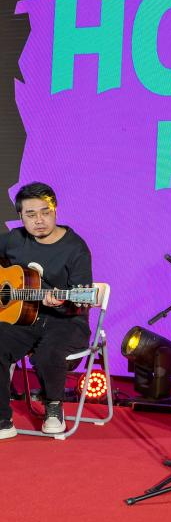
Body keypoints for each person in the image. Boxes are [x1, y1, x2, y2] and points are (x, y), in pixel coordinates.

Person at [0, 182, 93, 438]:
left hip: (67, 321)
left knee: (47, 354)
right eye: (31, 214)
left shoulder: (75, 248)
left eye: (45, 212)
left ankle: (53, 405)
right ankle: (2, 420)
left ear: (55, 210)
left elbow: (82, 296)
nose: (39, 220)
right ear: (20, 216)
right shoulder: (14, 239)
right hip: (24, 319)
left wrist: (63, 300)